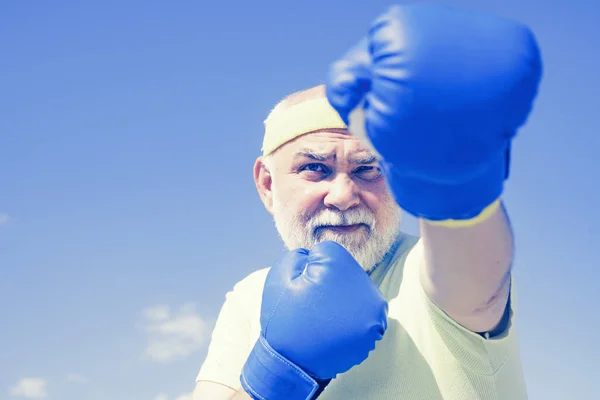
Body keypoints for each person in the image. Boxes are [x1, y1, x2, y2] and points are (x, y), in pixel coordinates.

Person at [192, 4, 542, 400]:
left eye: (368, 169)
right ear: (268, 185)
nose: (343, 196)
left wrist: (456, 168)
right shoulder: (249, 297)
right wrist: (279, 372)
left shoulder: (428, 267)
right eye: (315, 168)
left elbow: (476, 276)